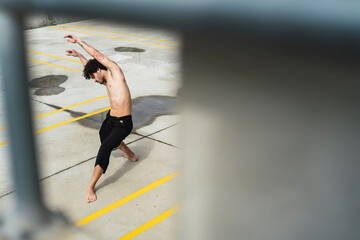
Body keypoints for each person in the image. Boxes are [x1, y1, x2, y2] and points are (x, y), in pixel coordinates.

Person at [64, 34, 138, 203]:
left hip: (123, 123)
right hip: (110, 119)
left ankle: (90, 186)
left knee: (105, 148)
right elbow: (90, 65)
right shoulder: (105, 81)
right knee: (104, 137)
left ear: (99, 69)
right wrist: (78, 56)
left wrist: (79, 42)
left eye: (92, 76)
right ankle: (131, 155)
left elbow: (95, 53)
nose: (94, 80)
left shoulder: (115, 73)